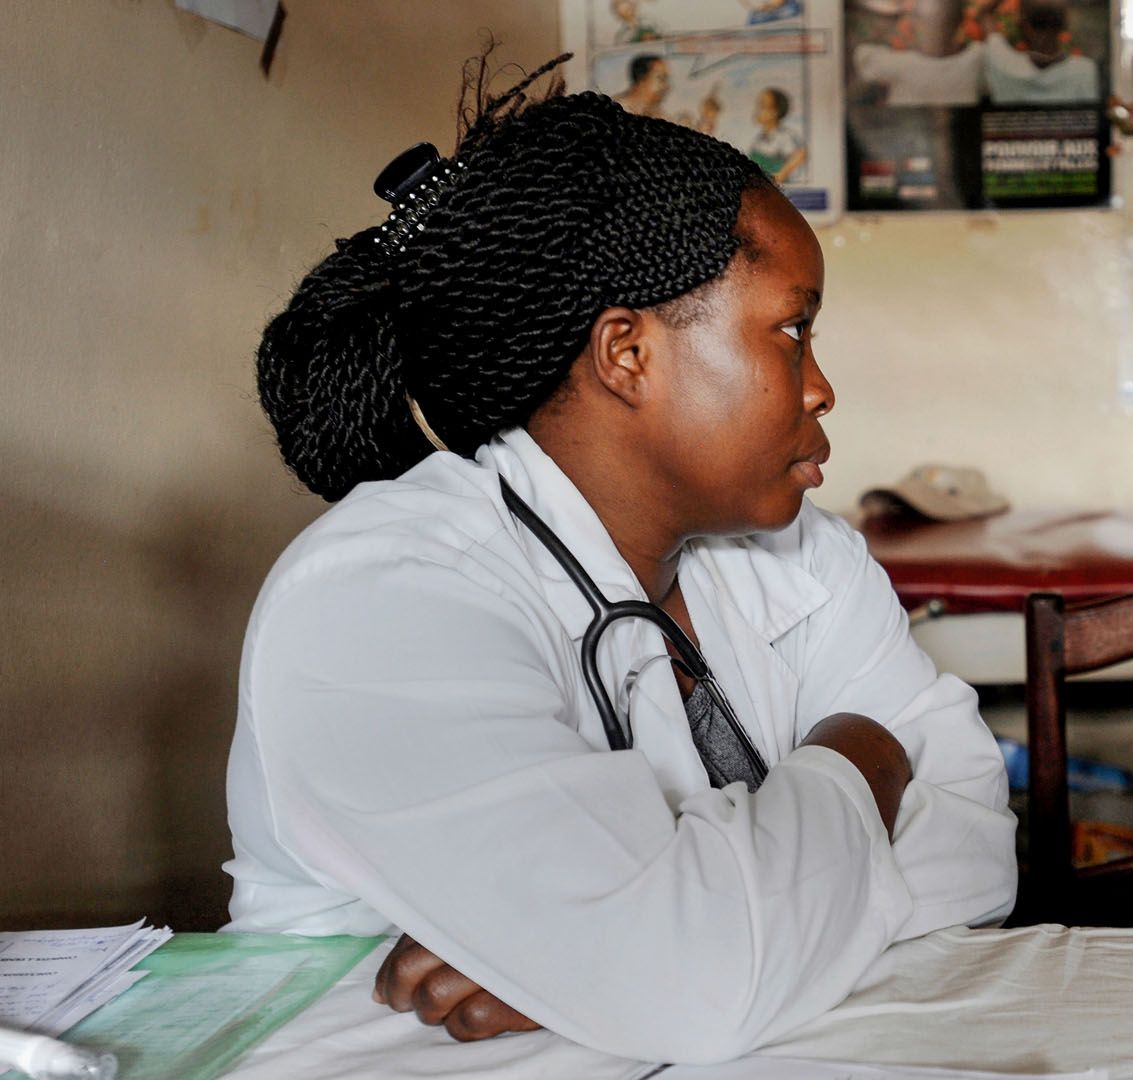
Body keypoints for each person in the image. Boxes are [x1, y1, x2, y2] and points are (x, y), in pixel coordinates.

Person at [226, 61, 1017, 1063]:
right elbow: (694, 983)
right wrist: (867, 755)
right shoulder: (380, 590)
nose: (822, 389)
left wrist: (606, 950)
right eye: (791, 330)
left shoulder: (800, 554)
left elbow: (980, 855)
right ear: (625, 352)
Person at [852, 0, 986, 107]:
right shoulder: (978, 59)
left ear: (915, 26)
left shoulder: (897, 65)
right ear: (960, 25)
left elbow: (861, 55)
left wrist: (892, 18)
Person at [983, 1, 1100, 105]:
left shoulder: (1004, 64)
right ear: (1064, 25)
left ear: (1022, 25)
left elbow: (985, 14)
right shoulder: (1085, 71)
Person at [748, 87, 808, 184]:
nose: (757, 110)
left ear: (775, 112)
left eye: (763, 106)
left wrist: (781, 174)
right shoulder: (758, 139)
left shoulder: (785, 136)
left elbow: (800, 154)